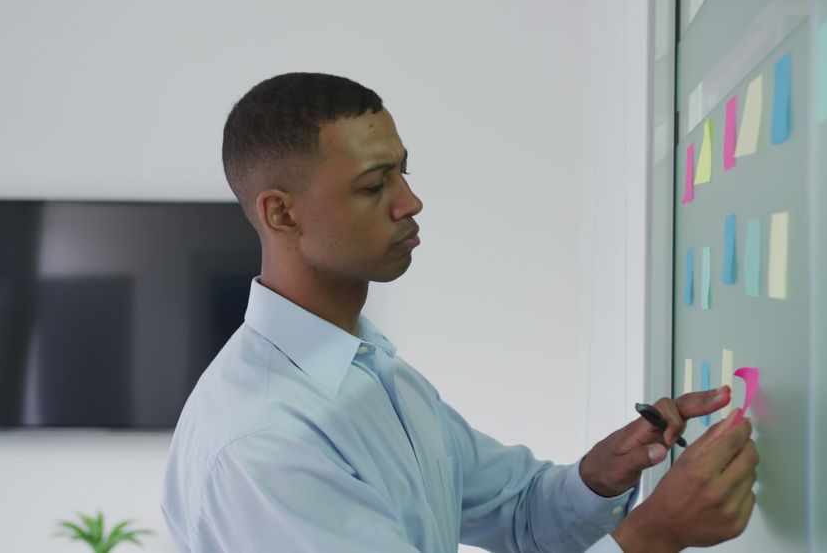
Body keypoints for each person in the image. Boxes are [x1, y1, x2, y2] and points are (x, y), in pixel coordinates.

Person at [161, 72, 758, 553]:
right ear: (282, 215)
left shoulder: (375, 373)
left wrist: (600, 476)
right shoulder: (263, 443)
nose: (411, 202)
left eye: (404, 171)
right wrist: (653, 536)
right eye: (374, 186)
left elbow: (520, 515)